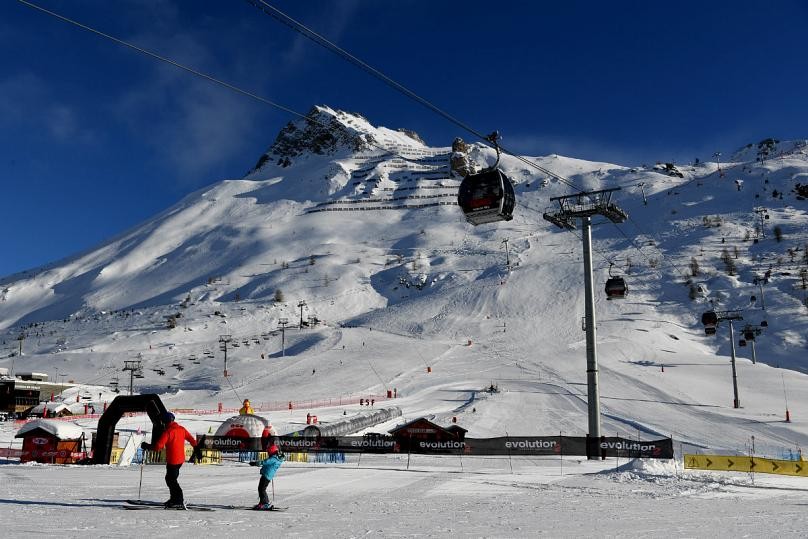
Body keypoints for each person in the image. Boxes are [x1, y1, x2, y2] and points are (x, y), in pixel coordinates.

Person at [141, 412, 197, 509]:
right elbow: (191, 439)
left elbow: (158, 446)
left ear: (165, 422)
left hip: (173, 460)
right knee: (170, 479)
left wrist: (148, 446)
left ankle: (178, 500)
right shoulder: (181, 429)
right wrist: (196, 447)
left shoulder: (168, 432)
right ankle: (174, 499)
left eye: (163, 422)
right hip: (180, 460)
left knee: (171, 480)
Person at [251, 443, 284, 510]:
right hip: (267, 475)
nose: (268, 454)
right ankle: (262, 502)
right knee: (261, 488)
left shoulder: (273, 459)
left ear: (272, 452)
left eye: (269, 452)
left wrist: (255, 463)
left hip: (266, 475)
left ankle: (265, 503)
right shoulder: (276, 458)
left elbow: (265, 462)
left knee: (262, 489)